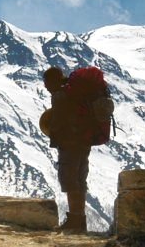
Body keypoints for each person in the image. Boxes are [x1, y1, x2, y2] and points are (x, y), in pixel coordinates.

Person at [40, 64, 110, 233]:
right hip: (85, 140)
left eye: (47, 84)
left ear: (52, 81)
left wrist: (53, 133)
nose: (47, 88)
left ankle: (74, 221)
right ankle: (80, 221)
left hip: (69, 143)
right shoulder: (77, 93)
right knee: (80, 179)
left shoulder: (60, 95)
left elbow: (58, 122)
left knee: (70, 181)